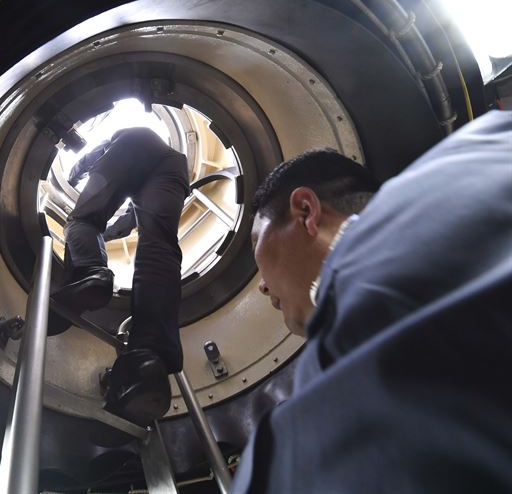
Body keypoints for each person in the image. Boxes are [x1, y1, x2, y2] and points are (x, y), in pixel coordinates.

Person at [233, 110, 512, 493]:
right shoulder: (487, 141)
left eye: (256, 246)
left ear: (305, 212)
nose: (263, 287)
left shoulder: (351, 323)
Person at [52, 126, 189, 425]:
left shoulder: (122, 135)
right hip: (175, 166)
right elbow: (127, 225)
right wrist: (108, 232)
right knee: (160, 243)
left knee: (80, 219)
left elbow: (94, 155)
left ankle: (91, 272)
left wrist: (75, 173)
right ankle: (148, 355)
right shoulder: (168, 155)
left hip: (133, 142)